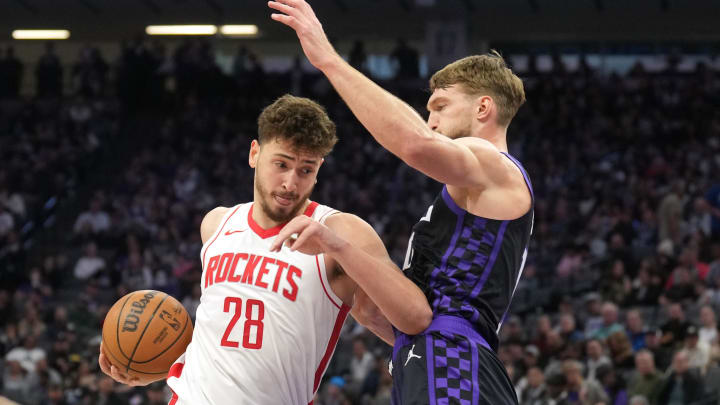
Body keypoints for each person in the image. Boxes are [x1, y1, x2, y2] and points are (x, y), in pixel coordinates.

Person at [269, 1, 533, 403]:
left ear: (484, 107)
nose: (431, 121)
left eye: (440, 107)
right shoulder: (466, 195)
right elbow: (403, 316)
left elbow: (414, 144)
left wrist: (329, 61)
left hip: (455, 362)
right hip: (426, 357)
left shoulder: (497, 168)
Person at [98, 95, 432, 404]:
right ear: (254, 153)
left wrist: (338, 248)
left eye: (306, 170)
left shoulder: (342, 231)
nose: (290, 183)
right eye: (282, 164)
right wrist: (143, 361)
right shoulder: (217, 224)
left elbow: (413, 318)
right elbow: (225, 332)